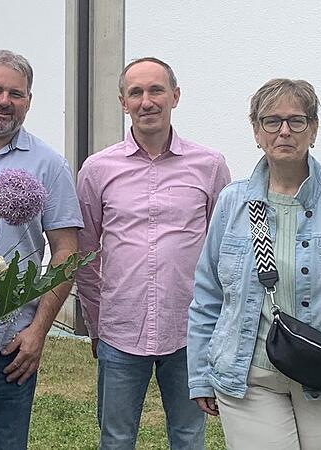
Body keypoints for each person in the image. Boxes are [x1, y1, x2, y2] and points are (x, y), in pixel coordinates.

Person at [187, 78, 321, 449]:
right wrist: (201, 375)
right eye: (271, 121)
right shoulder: (232, 202)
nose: (284, 131)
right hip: (249, 379)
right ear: (256, 131)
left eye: (296, 120)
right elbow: (208, 295)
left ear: (313, 129)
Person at [75, 57, 231, 449]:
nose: (147, 101)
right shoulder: (97, 170)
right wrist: (97, 322)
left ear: (175, 96)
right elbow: (85, 254)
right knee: (115, 438)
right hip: (120, 330)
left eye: (156, 90)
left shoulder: (210, 167)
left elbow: (225, 252)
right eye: (136, 92)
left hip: (190, 332)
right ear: (123, 102)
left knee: (188, 436)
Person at [0, 49, 83, 449]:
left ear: (28, 101)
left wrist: (38, 331)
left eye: (17, 93)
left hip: (11, 339)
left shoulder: (48, 164)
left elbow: (66, 253)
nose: (4, 101)